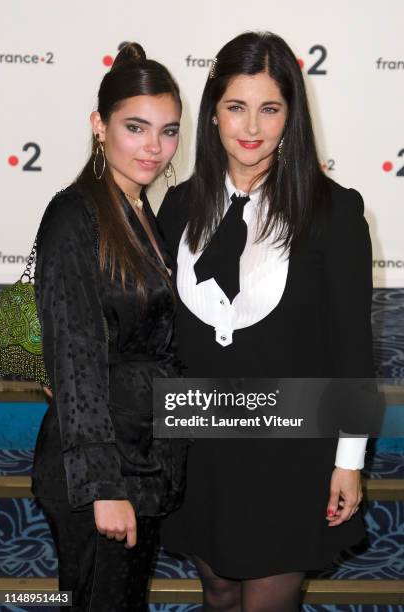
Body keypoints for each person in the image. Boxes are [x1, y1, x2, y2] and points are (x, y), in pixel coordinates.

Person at [157, 32, 373, 612]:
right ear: (212, 115)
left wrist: (348, 463)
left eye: (270, 108)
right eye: (236, 106)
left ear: (291, 117)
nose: (251, 126)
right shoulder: (177, 206)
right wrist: (29, 352)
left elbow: (354, 349)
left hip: (292, 449)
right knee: (218, 595)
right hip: (200, 445)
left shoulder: (335, 211)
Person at [32, 42, 187, 611]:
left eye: (168, 130)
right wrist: (104, 489)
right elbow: (74, 357)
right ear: (100, 125)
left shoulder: (142, 212)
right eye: (136, 127)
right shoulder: (76, 214)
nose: (154, 146)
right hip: (98, 471)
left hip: (142, 457)